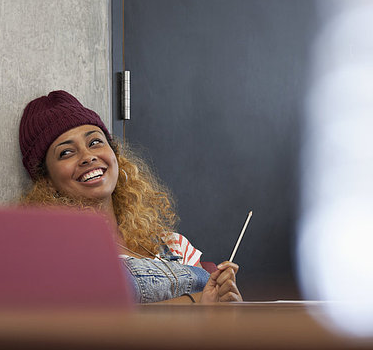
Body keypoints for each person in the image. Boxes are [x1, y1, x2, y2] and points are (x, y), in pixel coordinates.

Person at [18, 90, 242, 304]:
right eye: (66, 152)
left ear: (115, 155)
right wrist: (196, 301)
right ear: (46, 179)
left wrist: (230, 305)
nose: (88, 157)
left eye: (95, 142)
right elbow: (91, 323)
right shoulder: (52, 256)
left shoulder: (173, 245)